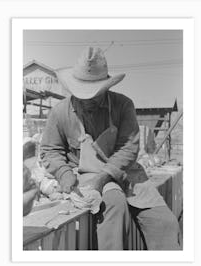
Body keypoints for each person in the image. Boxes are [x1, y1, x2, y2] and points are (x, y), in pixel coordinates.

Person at [40, 47, 180, 250]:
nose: (88, 101)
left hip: (128, 175)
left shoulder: (123, 106)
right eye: (83, 95)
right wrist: (63, 173)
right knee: (113, 205)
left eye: (94, 95)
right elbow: (50, 150)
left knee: (165, 223)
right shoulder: (60, 112)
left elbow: (128, 149)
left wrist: (105, 176)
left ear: (106, 87)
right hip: (85, 177)